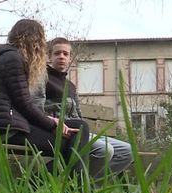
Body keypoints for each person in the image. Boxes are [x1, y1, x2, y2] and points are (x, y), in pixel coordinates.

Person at [0, 20, 89, 173]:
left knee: (78, 129)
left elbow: (22, 103)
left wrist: (52, 121)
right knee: (73, 142)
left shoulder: (12, 58)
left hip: (15, 123)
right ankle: (46, 185)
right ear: (34, 40)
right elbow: (24, 104)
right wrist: (52, 125)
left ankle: (41, 186)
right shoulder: (12, 59)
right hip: (8, 129)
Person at [45, 37, 133, 178]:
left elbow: (78, 114)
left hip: (79, 132)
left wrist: (83, 131)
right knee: (105, 150)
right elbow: (37, 107)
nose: (61, 56)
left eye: (65, 54)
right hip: (60, 131)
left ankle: (91, 184)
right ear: (49, 56)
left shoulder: (71, 86)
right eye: (57, 53)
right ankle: (77, 184)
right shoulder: (43, 79)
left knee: (127, 151)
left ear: (70, 58)